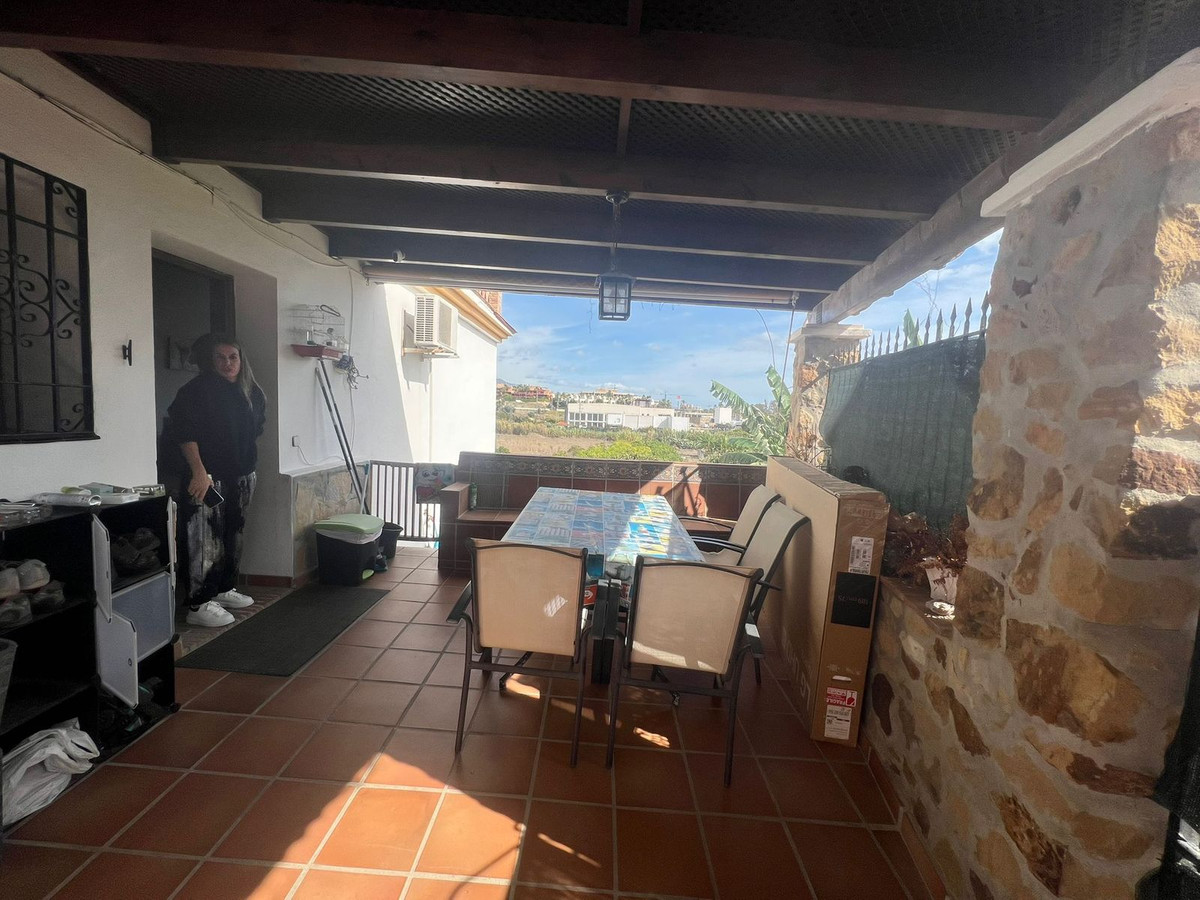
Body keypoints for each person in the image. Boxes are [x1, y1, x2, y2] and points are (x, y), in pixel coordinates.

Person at [166, 333, 267, 627]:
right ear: (211, 361)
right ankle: (199, 603)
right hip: (206, 477)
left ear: (241, 359)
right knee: (204, 537)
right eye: (220, 358)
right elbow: (184, 433)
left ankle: (223, 588)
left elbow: (256, 429)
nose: (227, 363)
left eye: (233, 357)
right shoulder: (195, 391)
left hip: (242, 474)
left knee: (233, 533)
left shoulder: (252, 392)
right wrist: (199, 472)